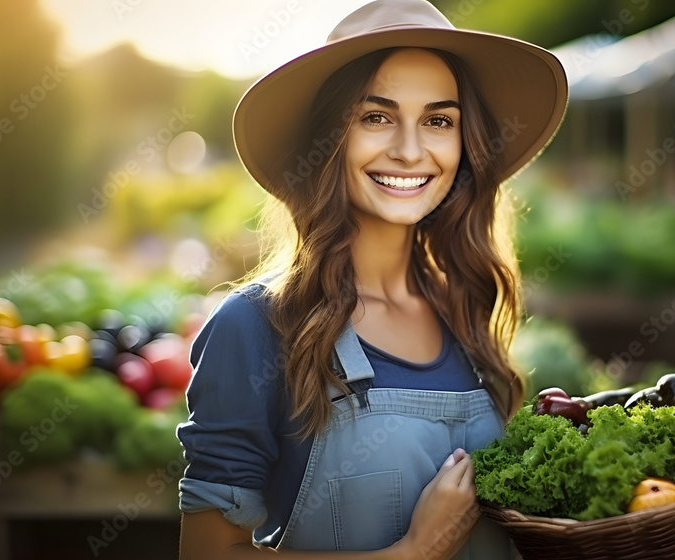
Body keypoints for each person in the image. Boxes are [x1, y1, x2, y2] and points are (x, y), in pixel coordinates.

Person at [176, 1, 567, 558]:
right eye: (376, 117)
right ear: (329, 138)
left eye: (438, 120)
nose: (410, 151)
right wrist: (411, 553)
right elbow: (207, 554)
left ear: (464, 143)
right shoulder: (258, 327)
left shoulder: (464, 309)